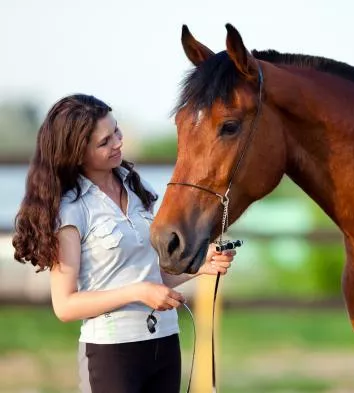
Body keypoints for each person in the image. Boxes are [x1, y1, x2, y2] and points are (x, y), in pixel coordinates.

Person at [12, 94, 236, 393]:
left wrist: (201, 265)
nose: (117, 142)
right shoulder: (71, 210)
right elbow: (65, 305)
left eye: (116, 131)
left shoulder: (138, 188)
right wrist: (139, 293)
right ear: (78, 153)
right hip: (111, 353)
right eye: (104, 142)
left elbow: (154, 276)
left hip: (164, 343)